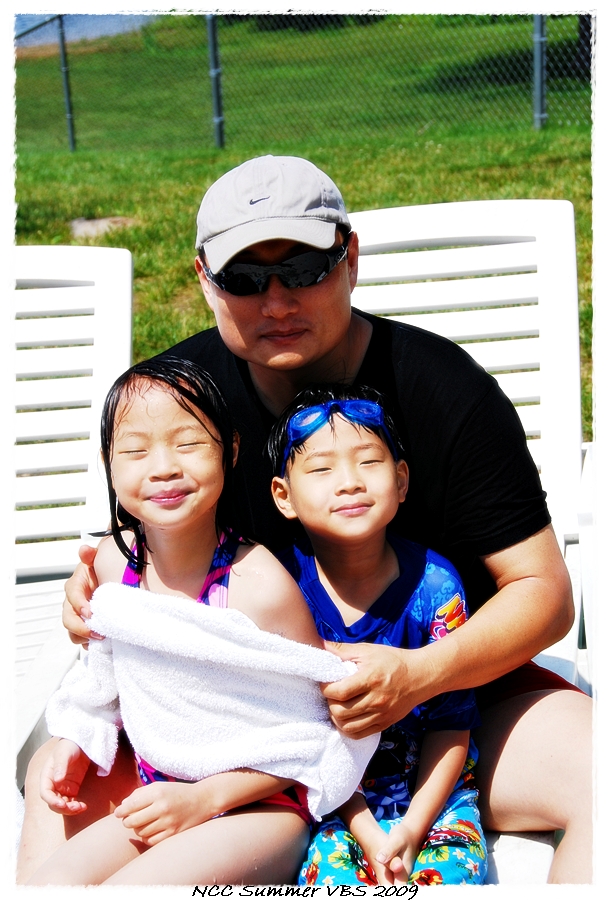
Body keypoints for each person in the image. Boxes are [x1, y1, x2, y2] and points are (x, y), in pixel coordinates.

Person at [17, 155, 591, 884]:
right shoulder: (178, 407)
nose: (277, 300)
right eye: (244, 279)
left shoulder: (444, 390)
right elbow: (134, 548)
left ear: (350, 259)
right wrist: (93, 584)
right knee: (53, 780)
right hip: (236, 737)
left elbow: (544, 593)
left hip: (444, 715)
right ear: (204, 280)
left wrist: (421, 674)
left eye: (304, 268)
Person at [25, 358, 376, 886]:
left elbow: (320, 733)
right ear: (107, 463)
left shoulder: (257, 585)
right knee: (50, 886)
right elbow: (103, 679)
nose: (163, 467)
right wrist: (80, 739)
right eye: (136, 451)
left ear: (229, 451)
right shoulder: (115, 566)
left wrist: (205, 798)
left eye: (188, 444)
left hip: (260, 807)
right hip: (159, 795)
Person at [268, 384, 487, 886]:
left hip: (436, 796)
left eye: (369, 461)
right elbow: (301, 732)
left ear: (401, 480)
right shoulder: (280, 591)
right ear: (284, 496)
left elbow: (451, 723)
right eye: (321, 470)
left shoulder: (436, 588)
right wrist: (368, 832)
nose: (349, 482)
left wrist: (411, 828)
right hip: (329, 800)